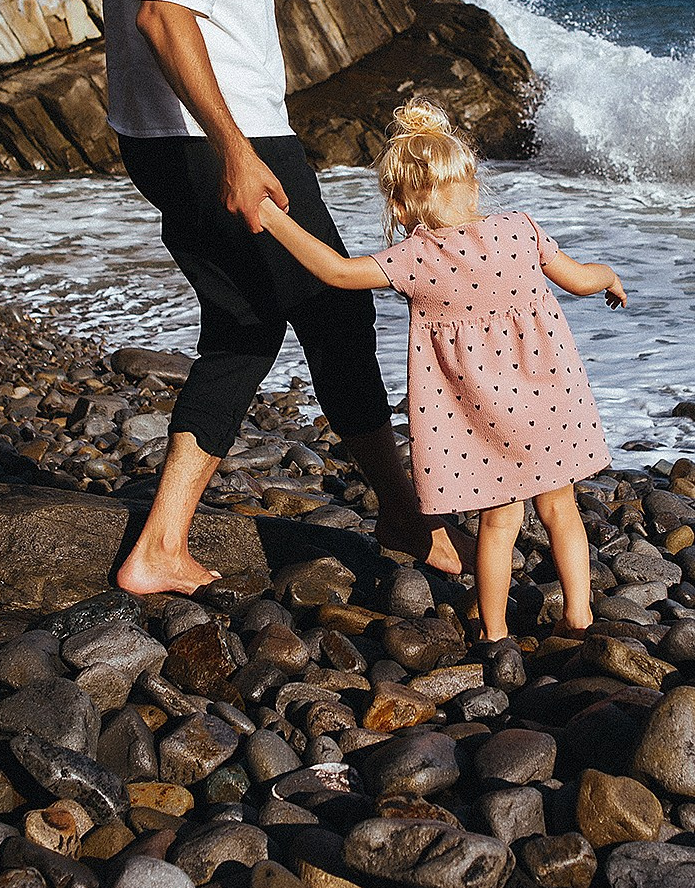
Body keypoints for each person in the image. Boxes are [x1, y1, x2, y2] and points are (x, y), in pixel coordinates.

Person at [101, 0, 465, 595]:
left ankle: (159, 546)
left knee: (246, 318)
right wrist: (234, 146)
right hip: (217, 131)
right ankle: (405, 511)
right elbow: (165, 13)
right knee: (334, 310)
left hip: (157, 129)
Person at [257, 100, 628, 641]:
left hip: (482, 418)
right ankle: (579, 615)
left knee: (499, 524)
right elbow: (579, 279)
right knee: (561, 510)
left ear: (402, 206)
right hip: (550, 401)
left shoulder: (416, 257)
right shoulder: (521, 230)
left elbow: (334, 271)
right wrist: (610, 275)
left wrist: (271, 218)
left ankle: (495, 632)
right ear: (470, 182)